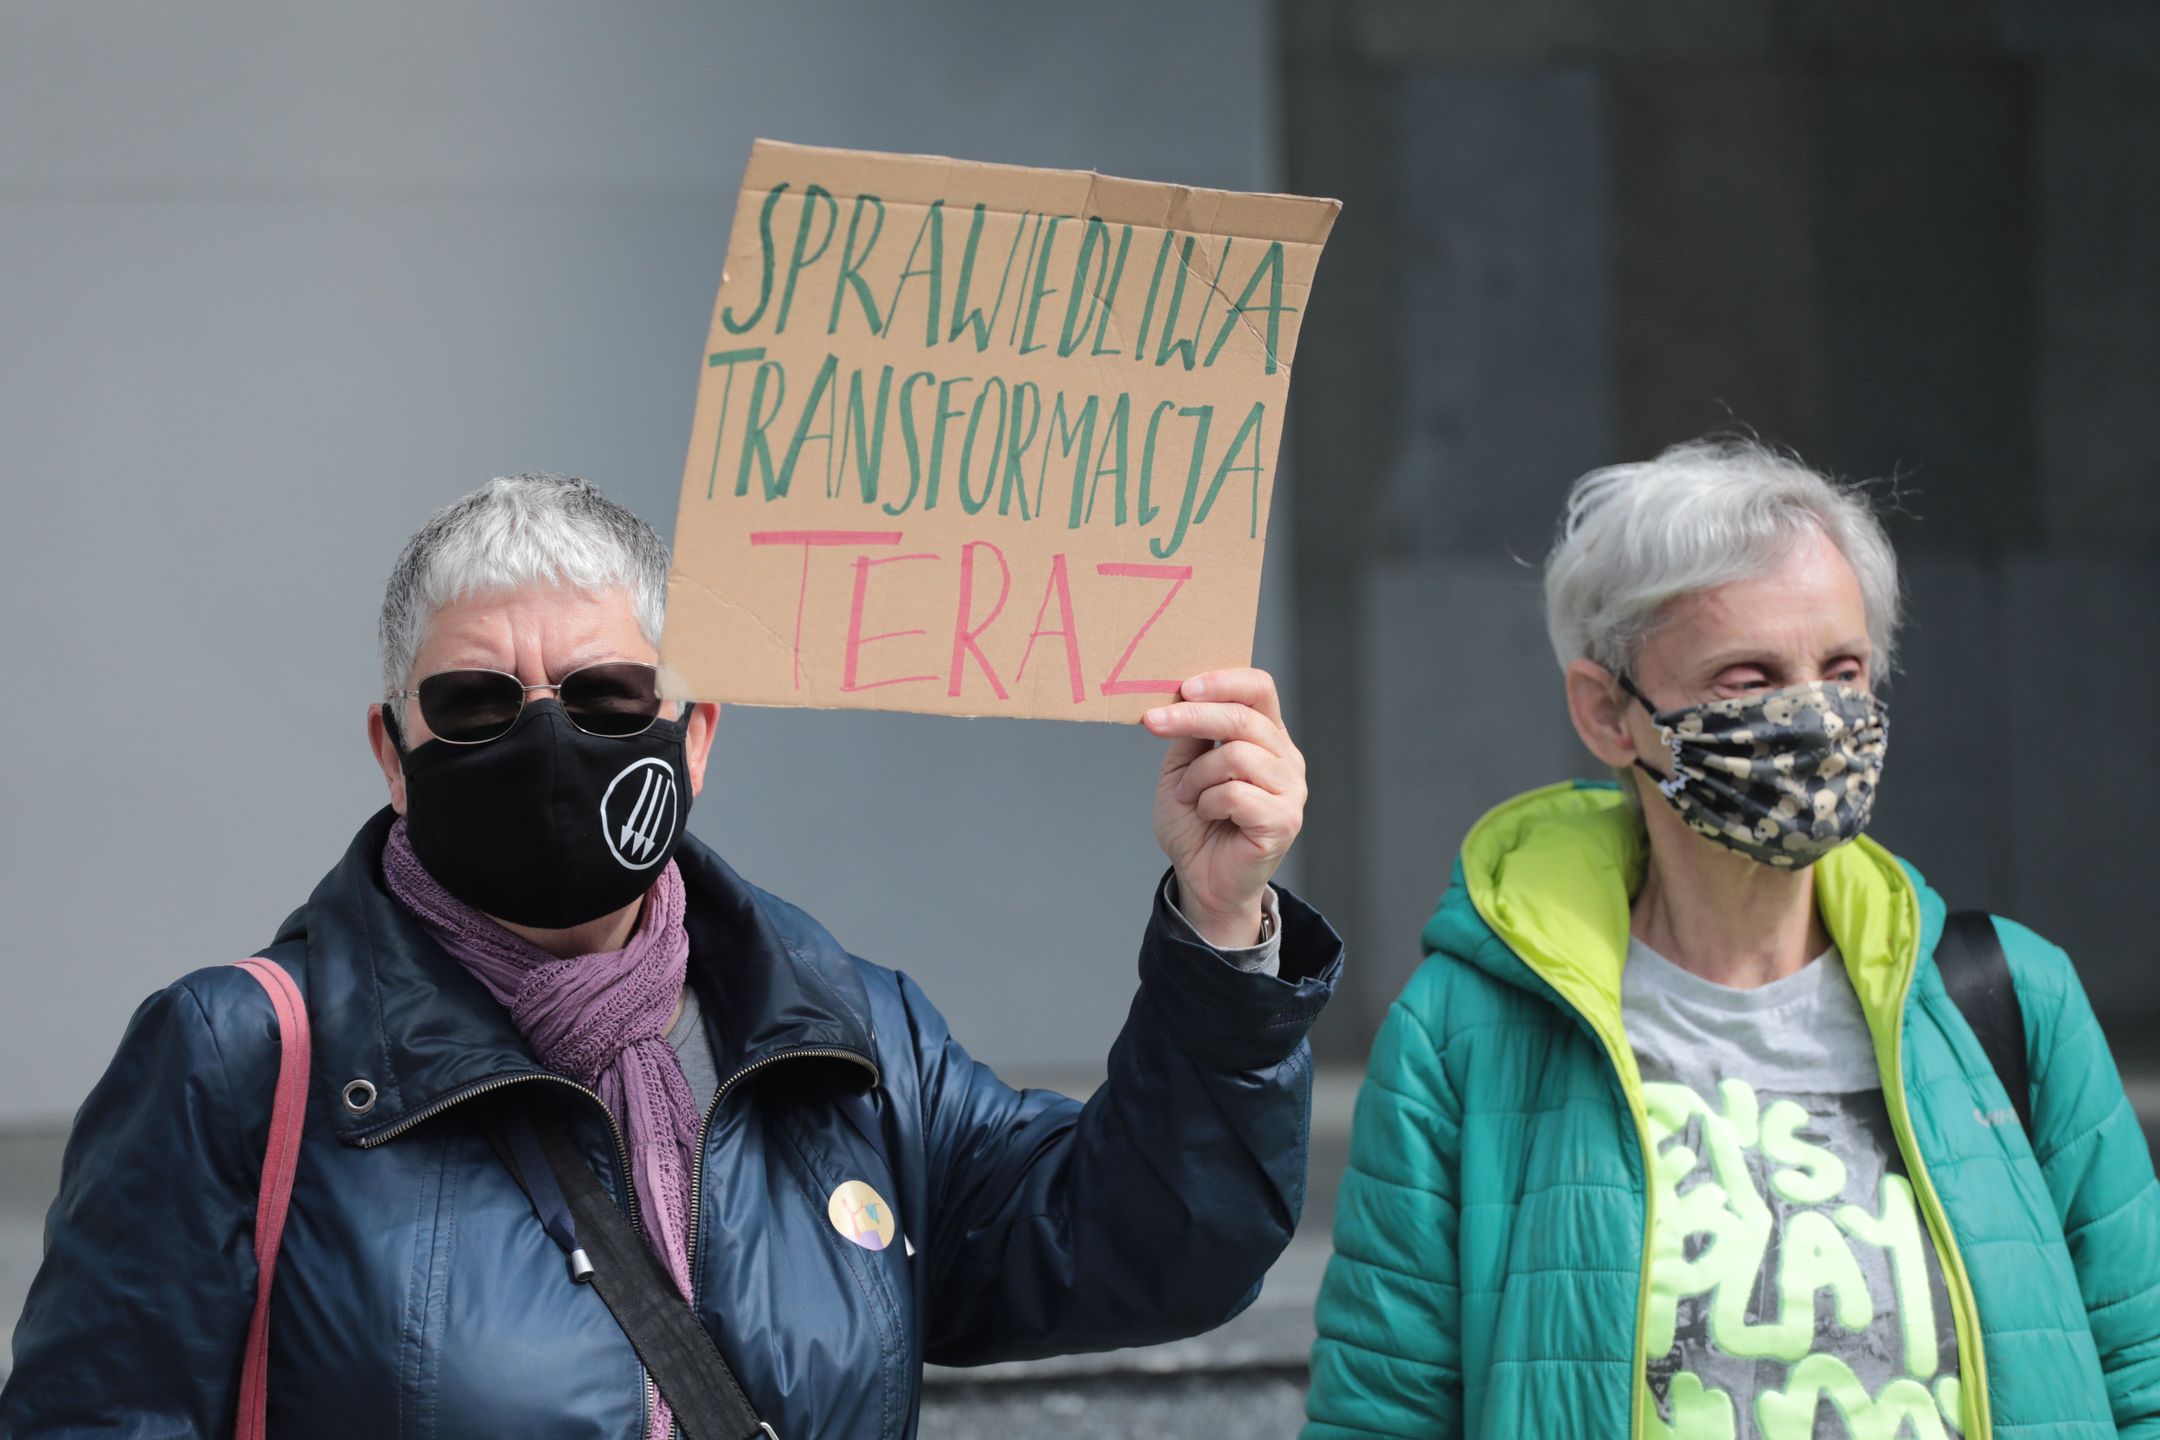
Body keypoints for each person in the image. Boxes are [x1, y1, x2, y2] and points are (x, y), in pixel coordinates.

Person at [2, 473, 1340, 1439]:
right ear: (390, 755)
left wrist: (1222, 923)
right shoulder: (241, 1061)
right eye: (474, 706)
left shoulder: (842, 1043)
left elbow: (1151, 1246)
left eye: (603, 700)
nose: (544, 747)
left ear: (694, 734)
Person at [1304, 438, 2160, 1439]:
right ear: (1608, 713)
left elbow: (2141, 1375)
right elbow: (1382, 1416)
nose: (1812, 715)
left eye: (1843, 669)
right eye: (1746, 676)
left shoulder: (2010, 1002)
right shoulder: (1464, 1039)